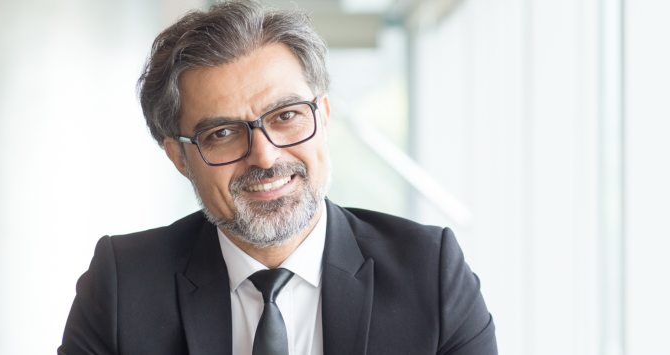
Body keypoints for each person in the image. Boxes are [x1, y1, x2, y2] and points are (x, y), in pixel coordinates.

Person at [57, 1, 496, 354]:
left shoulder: (432, 273)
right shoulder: (122, 285)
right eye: (222, 133)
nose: (265, 157)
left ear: (323, 116)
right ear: (179, 157)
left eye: (286, 116)